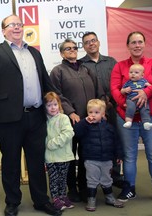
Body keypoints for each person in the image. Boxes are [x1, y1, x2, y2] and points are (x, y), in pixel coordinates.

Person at [0, 14, 64, 216]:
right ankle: (13, 202)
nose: (16, 27)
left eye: (19, 24)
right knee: (11, 161)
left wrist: (57, 104)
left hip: (36, 116)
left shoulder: (34, 52)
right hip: (8, 118)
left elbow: (45, 81)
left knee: (36, 161)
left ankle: (41, 200)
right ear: (3, 30)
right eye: (12, 24)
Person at [110, 31, 152, 205]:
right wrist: (125, 104)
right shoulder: (120, 66)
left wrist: (146, 92)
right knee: (129, 157)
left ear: (144, 44)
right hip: (127, 118)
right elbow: (115, 89)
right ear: (128, 46)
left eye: (140, 42)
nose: (137, 45)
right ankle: (129, 188)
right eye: (133, 42)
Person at [49, 38, 105, 203]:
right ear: (61, 53)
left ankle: (84, 186)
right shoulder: (57, 71)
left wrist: (101, 111)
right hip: (70, 121)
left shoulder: (86, 69)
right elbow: (56, 94)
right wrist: (70, 112)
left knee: (85, 154)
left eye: (74, 48)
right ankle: (71, 188)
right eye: (67, 48)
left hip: (89, 121)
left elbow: (98, 90)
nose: (72, 50)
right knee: (69, 155)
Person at [80, 31, 124, 189]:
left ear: (98, 42)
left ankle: (115, 174)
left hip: (113, 108)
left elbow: (119, 83)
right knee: (94, 141)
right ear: (84, 46)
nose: (91, 43)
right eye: (87, 42)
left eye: (93, 40)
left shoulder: (111, 61)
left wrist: (112, 102)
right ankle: (92, 176)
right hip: (93, 112)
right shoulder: (81, 65)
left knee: (112, 139)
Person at [74, 99, 124, 211]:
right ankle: (91, 199)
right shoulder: (85, 127)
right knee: (92, 179)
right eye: (90, 112)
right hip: (91, 159)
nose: (93, 115)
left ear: (103, 114)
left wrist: (119, 155)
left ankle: (109, 197)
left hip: (106, 159)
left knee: (106, 179)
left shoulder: (109, 127)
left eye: (96, 113)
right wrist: (84, 121)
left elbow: (116, 142)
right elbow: (76, 132)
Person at [44, 92, 75, 211]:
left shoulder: (64, 118)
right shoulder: (44, 121)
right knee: (53, 179)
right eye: (49, 105)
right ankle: (55, 198)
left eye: (55, 104)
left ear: (59, 105)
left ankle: (63, 196)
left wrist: (53, 143)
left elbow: (69, 133)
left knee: (63, 178)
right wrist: (48, 145)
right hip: (51, 157)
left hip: (64, 156)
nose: (53, 108)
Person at [121, 63, 152, 130]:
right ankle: (128, 121)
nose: (133, 74)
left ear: (142, 75)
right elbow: (122, 91)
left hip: (142, 99)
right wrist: (125, 90)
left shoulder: (144, 81)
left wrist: (149, 86)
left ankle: (146, 123)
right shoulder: (128, 82)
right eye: (131, 72)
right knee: (130, 108)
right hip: (131, 99)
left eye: (136, 72)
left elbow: (151, 88)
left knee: (145, 109)